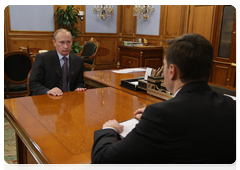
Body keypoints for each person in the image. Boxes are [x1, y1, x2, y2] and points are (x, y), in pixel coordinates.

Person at [91, 33, 237, 170]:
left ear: (172, 71)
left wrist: (109, 130)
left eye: (164, 65)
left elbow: (104, 160)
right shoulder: (232, 105)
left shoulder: (162, 116)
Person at [29, 28, 86, 96]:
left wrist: (79, 88)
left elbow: (80, 82)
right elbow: (33, 83)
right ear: (54, 43)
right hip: (49, 99)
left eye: (68, 42)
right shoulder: (42, 59)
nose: (66, 46)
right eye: (61, 42)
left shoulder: (79, 60)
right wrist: (48, 91)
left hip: (70, 100)